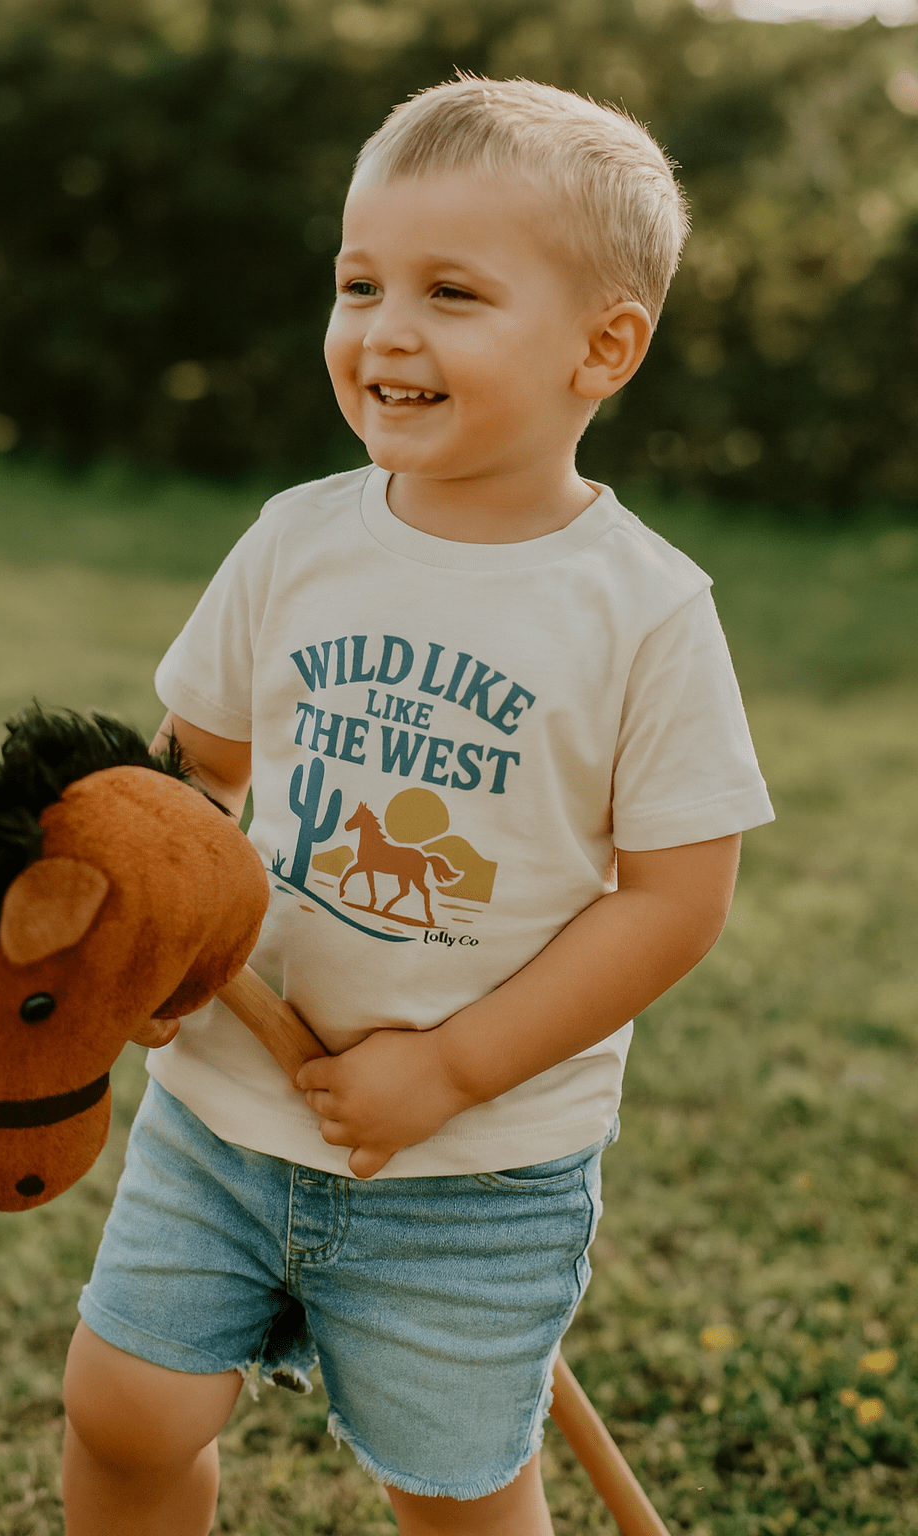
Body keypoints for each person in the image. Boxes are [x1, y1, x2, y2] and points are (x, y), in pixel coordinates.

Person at [61, 76, 774, 1536]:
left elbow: (677, 900)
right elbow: (192, 770)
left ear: (606, 345)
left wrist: (448, 1071)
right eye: (361, 282)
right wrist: (155, 928)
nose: (387, 328)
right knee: (125, 1409)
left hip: (475, 1172)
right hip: (227, 1107)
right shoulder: (295, 543)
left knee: (452, 1492)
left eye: (453, 293)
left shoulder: (643, 613)